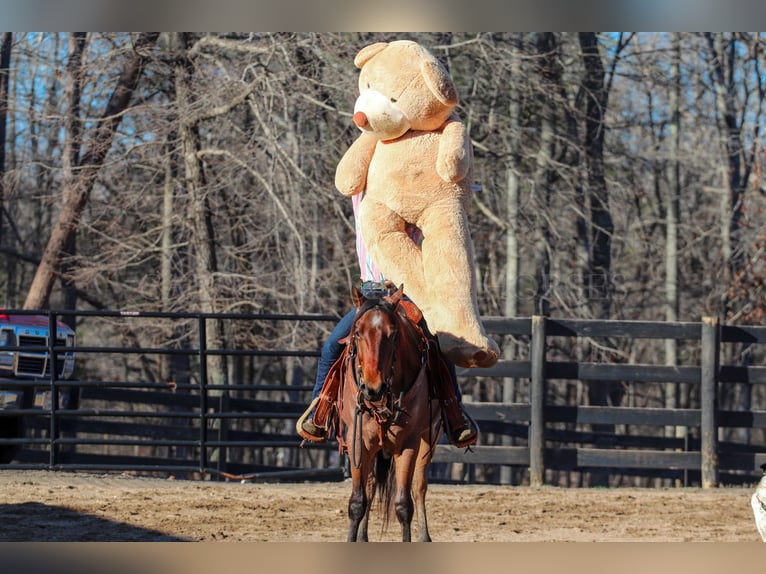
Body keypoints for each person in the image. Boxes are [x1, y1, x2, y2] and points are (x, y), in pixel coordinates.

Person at [298, 192, 477, 447]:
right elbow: (354, 181)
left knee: (438, 346)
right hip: (370, 294)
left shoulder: (412, 206)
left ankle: (453, 412)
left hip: (407, 294)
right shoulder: (365, 203)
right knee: (331, 347)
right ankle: (321, 408)